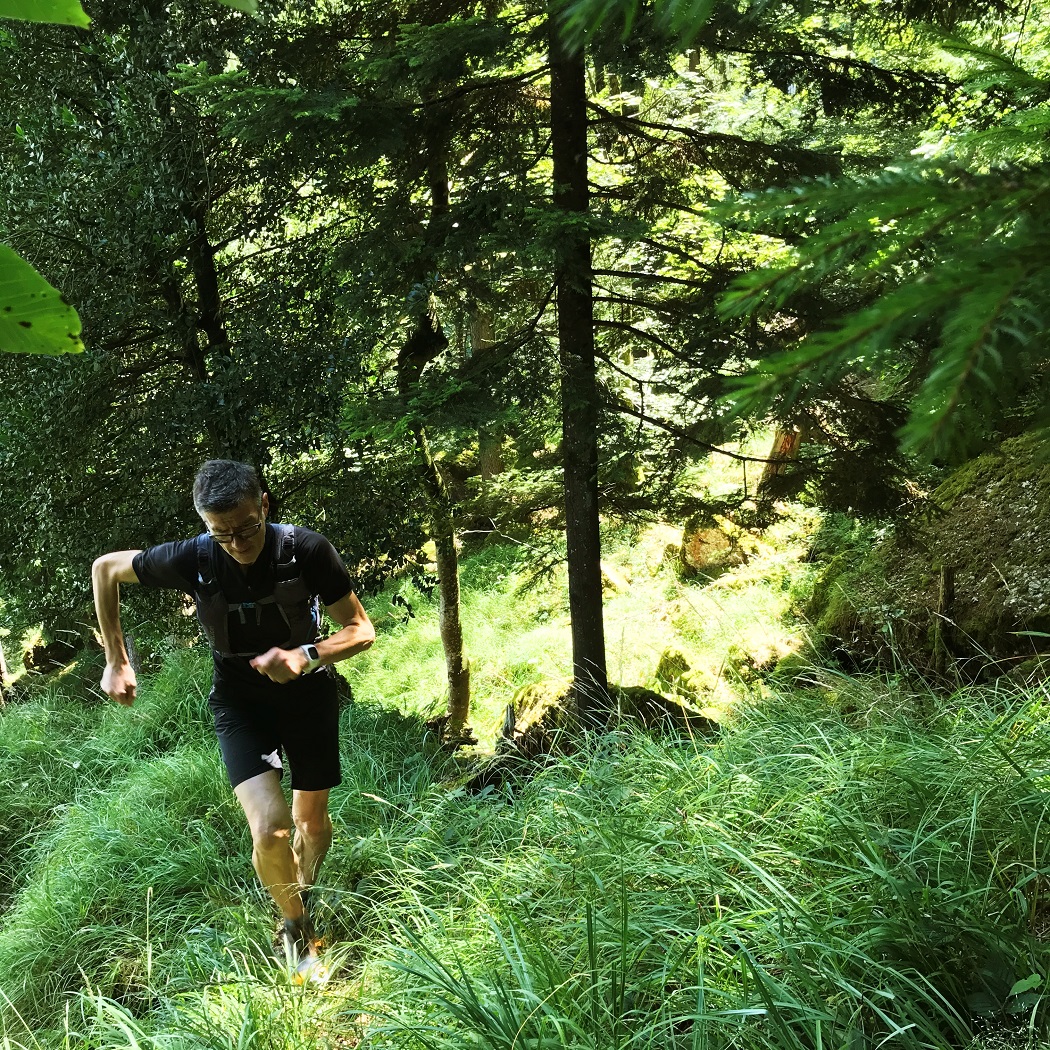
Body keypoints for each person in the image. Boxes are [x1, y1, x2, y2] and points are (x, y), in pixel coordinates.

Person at [92, 460, 375, 978]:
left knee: (310, 824)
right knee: (270, 830)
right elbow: (106, 568)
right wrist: (116, 659)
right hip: (240, 703)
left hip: (308, 697)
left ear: (264, 505)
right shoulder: (195, 558)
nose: (237, 543)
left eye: (246, 527)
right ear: (204, 524)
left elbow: (360, 629)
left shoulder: (307, 549)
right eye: (221, 533)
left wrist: (306, 654)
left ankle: (305, 883)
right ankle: (296, 929)